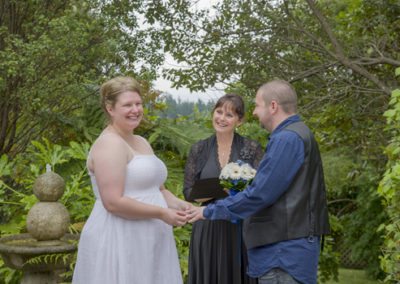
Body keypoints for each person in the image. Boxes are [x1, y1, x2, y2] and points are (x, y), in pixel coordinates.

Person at [187, 80, 331, 284]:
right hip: (287, 247)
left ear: (273, 106)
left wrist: (207, 211)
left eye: (257, 105)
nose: (254, 112)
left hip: (283, 252)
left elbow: (259, 194)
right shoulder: (297, 133)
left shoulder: (287, 139)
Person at [72, 76, 190, 284]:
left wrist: (183, 206)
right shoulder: (109, 144)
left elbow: (159, 189)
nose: (136, 110)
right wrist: (162, 213)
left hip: (151, 238)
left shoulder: (141, 141)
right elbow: (113, 202)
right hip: (120, 237)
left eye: (138, 103)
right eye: (127, 105)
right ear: (110, 108)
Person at [183, 94, 264, 284]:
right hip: (207, 225)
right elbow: (188, 192)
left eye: (229, 115)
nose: (221, 118)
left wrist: (239, 189)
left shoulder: (251, 148)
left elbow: (260, 188)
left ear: (240, 120)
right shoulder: (199, 149)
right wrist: (223, 188)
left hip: (240, 228)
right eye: (219, 112)